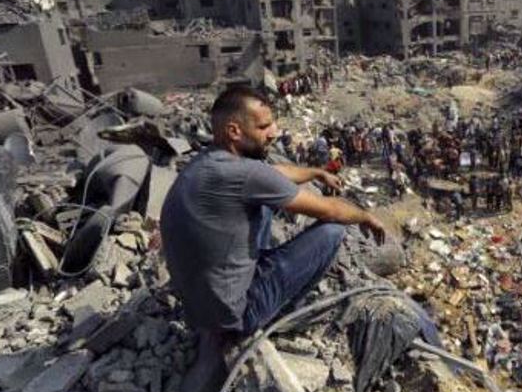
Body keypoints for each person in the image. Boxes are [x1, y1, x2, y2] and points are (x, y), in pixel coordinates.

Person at [161, 87, 387, 342]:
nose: (274, 133)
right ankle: (284, 313)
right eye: (264, 126)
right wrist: (366, 216)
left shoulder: (210, 160)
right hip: (235, 318)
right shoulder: (245, 174)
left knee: (265, 203)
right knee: (333, 230)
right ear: (234, 131)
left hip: (198, 309)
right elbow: (332, 210)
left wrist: (316, 173)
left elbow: (273, 174)